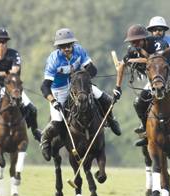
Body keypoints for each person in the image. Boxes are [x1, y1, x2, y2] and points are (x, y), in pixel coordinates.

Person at [40, 28, 121, 161]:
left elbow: (93, 71)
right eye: (63, 46)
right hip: (59, 89)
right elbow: (44, 87)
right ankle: (45, 139)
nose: (67, 48)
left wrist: (88, 70)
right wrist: (53, 101)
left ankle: (111, 120)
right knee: (57, 122)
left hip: (78, 85)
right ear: (59, 47)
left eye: (69, 45)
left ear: (73, 44)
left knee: (105, 99)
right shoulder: (53, 60)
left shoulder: (79, 50)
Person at [0, 28, 41, 145]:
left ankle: (35, 131)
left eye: (4, 41)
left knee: (32, 108)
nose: (1, 44)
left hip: (14, 89)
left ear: (7, 42)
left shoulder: (14, 54)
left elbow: (14, 71)